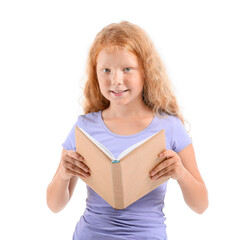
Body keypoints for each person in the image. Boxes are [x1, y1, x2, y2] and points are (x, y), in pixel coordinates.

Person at [46, 21, 208, 240]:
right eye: (106, 70)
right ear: (96, 74)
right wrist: (63, 176)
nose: (116, 80)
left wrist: (180, 173)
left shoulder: (169, 126)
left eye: (127, 69)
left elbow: (201, 205)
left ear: (145, 72)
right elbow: (55, 205)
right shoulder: (84, 127)